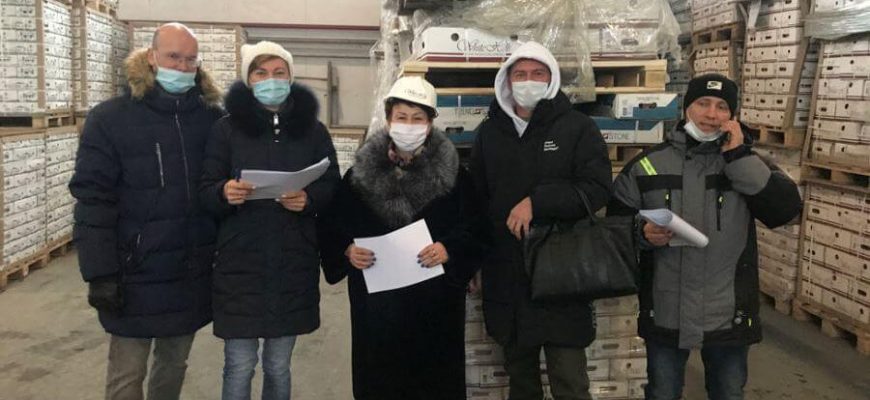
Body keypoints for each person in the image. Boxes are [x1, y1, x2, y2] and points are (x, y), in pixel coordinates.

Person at [607, 73, 802, 400]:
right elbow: (614, 227)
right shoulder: (647, 165)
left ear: (733, 116)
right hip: (666, 307)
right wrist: (641, 232)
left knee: (728, 392)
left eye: (722, 107)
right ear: (687, 108)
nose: (711, 114)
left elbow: (785, 211)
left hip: (728, 310)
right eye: (703, 103)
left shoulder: (750, 165)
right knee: (663, 392)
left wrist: (737, 158)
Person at [69, 23, 224, 400]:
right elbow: (93, 199)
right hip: (133, 271)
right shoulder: (110, 119)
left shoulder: (212, 120)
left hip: (189, 270)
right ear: (151, 57)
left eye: (190, 60)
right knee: (127, 374)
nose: (182, 67)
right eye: (173, 57)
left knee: (174, 364)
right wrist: (100, 272)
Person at [317, 76, 485, 400]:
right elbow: (331, 224)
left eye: (417, 118)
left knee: (434, 382)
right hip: (378, 306)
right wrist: (347, 250)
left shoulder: (455, 175)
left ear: (431, 123)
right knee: (381, 381)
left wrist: (449, 248)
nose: (409, 125)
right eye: (401, 117)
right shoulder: (360, 175)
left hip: (435, 303)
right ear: (388, 119)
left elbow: (476, 226)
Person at [469, 41, 612, 400]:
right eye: (520, 74)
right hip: (507, 274)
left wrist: (539, 201)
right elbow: (476, 202)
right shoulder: (489, 133)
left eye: (537, 73)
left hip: (561, 273)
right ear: (507, 81)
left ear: (551, 79)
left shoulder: (577, 128)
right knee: (521, 381)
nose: (528, 81)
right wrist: (475, 260)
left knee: (569, 381)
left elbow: (597, 189)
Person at [198, 41, 340, 400]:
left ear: (291, 77)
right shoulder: (225, 130)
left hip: (291, 261)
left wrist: (308, 200)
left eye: (279, 72)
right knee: (239, 363)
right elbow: (205, 189)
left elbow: (331, 184)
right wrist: (224, 192)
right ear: (248, 79)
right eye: (261, 73)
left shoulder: (313, 131)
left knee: (278, 364)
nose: (270, 80)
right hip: (239, 263)